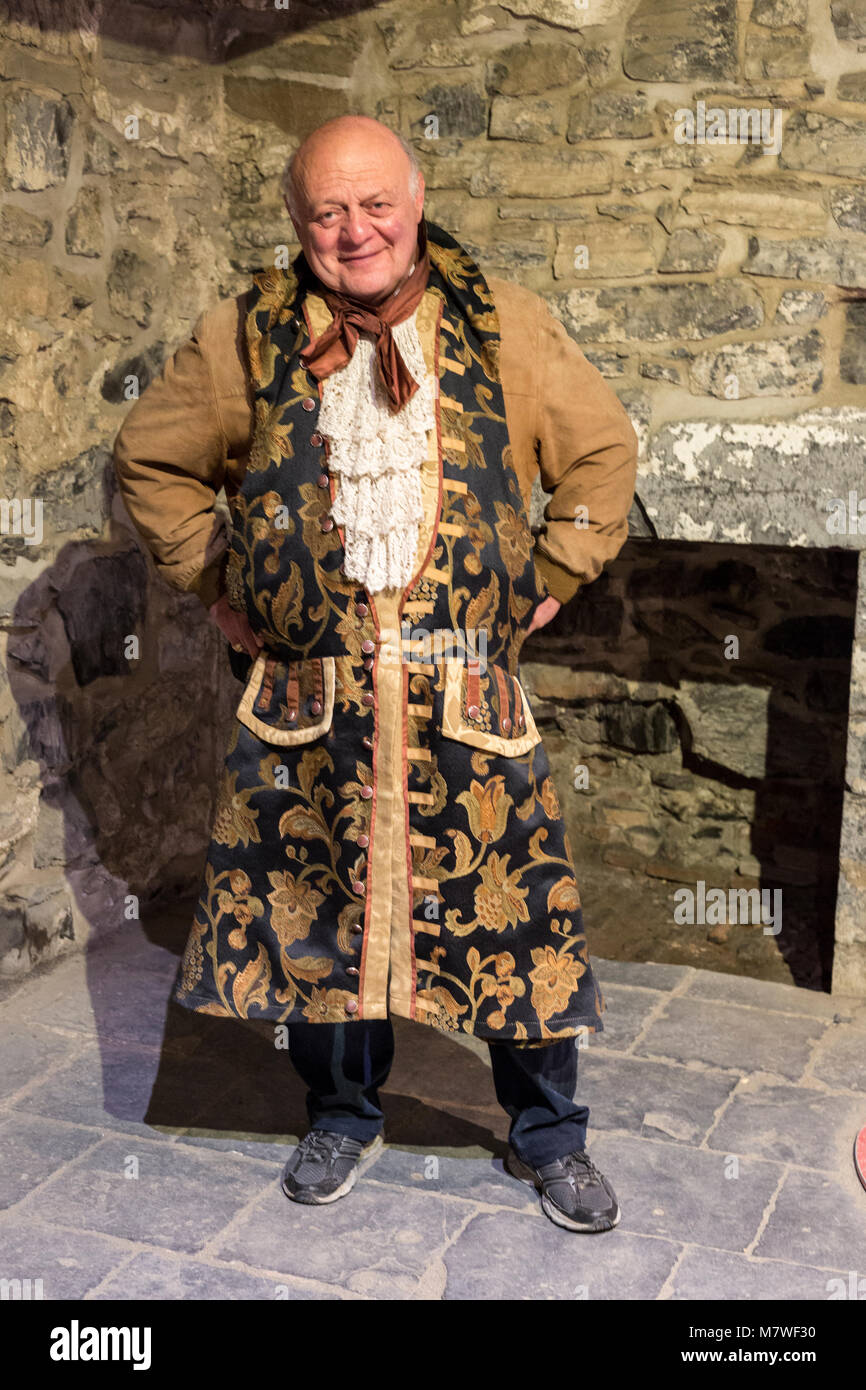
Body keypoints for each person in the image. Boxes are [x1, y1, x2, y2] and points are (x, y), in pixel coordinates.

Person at [112, 114, 639, 1234]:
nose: (352, 232)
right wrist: (222, 585)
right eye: (325, 212)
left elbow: (599, 451)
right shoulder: (246, 336)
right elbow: (151, 462)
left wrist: (553, 567)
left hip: (466, 702)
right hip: (316, 706)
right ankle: (342, 1112)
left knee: (515, 932)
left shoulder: (502, 327)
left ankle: (547, 1136)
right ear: (298, 222)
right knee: (318, 922)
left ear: (415, 197)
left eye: (373, 205)